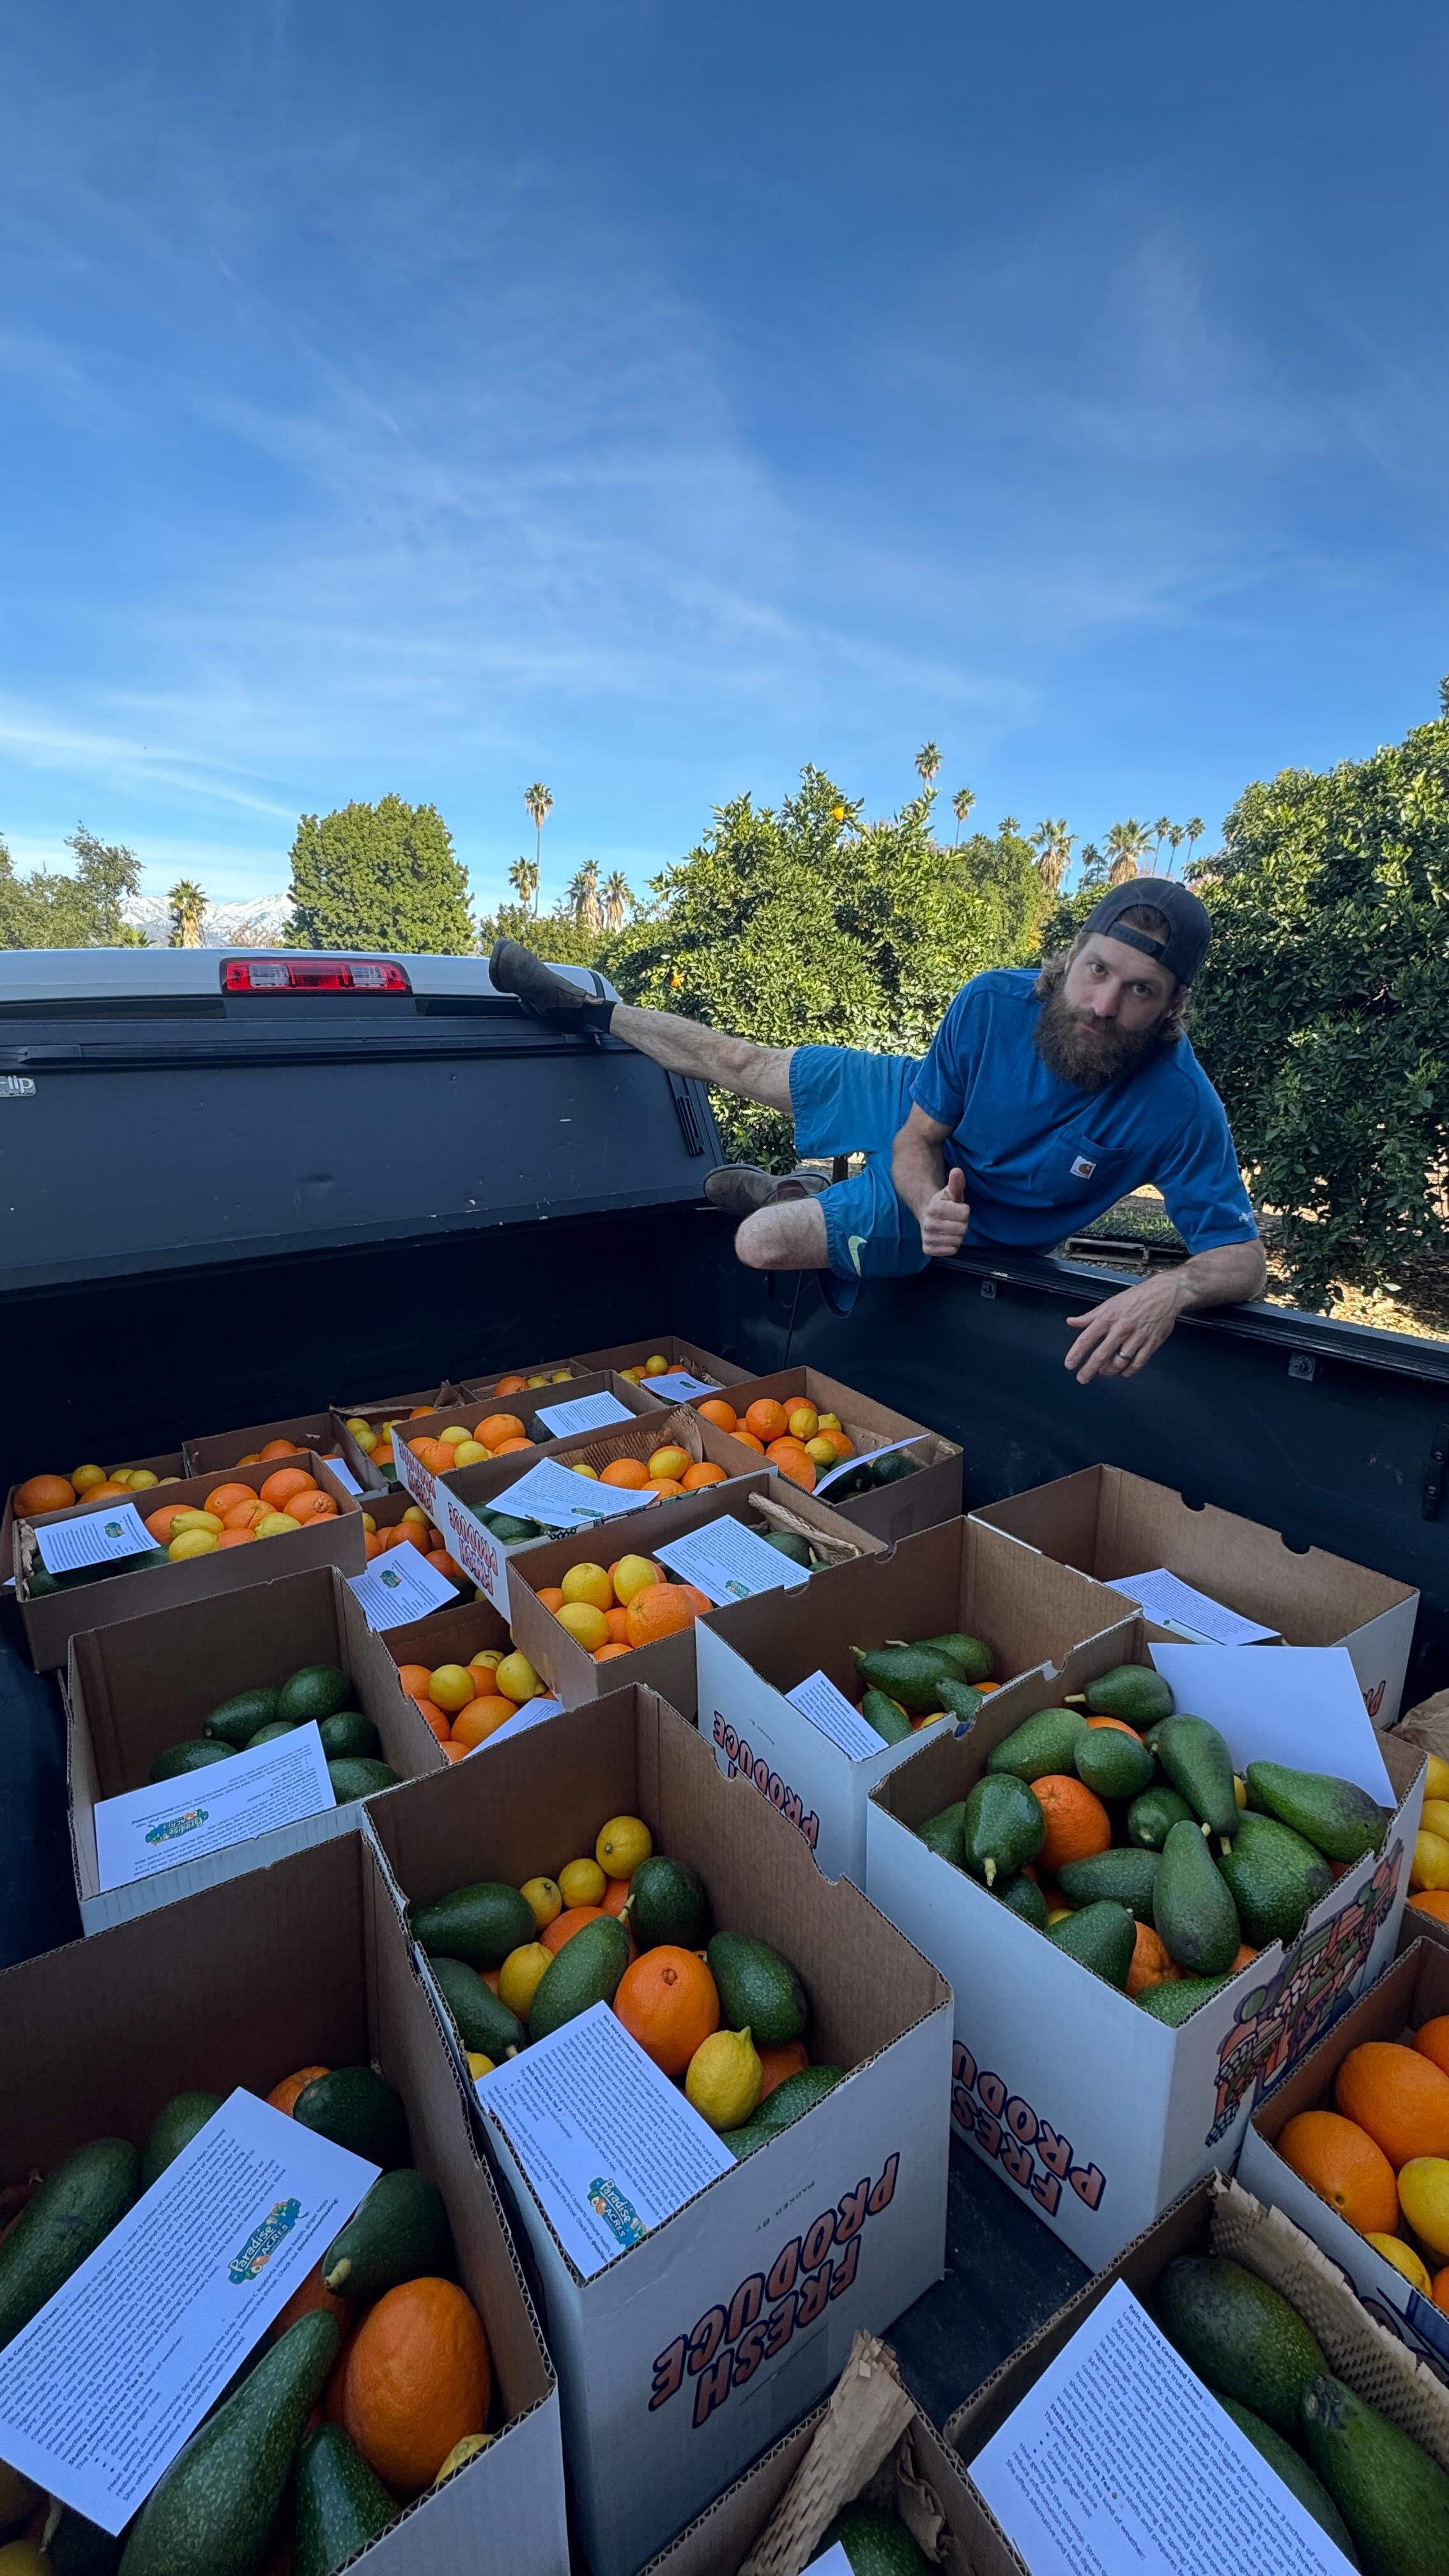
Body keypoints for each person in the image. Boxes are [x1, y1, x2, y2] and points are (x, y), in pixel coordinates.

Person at [489, 877, 1266, 1383]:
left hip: (964, 1224)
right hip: (924, 1127)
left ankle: (790, 1196)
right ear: (1069, 959)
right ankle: (586, 1009)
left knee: (759, 1243)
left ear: (1170, 1009)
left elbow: (1243, 1260)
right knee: (742, 1060)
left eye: (1139, 990)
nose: (1103, 1004)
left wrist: (1174, 1288)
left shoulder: (1179, 1103)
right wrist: (926, 1195)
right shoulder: (993, 1004)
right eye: (1097, 970)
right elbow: (918, 1139)